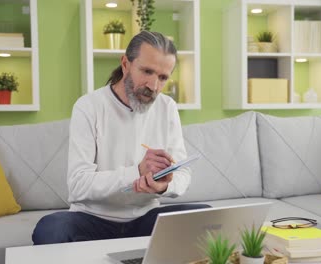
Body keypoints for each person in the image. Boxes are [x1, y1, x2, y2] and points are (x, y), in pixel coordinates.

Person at [32, 31, 209, 245]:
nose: (153, 86)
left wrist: (164, 186)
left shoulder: (167, 107)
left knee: (205, 216)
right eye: (147, 71)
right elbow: (78, 184)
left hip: (145, 219)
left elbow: (182, 173)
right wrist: (137, 173)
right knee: (50, 229)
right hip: (92, 219)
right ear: (125, 64)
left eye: (162, 77)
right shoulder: (89, 106)